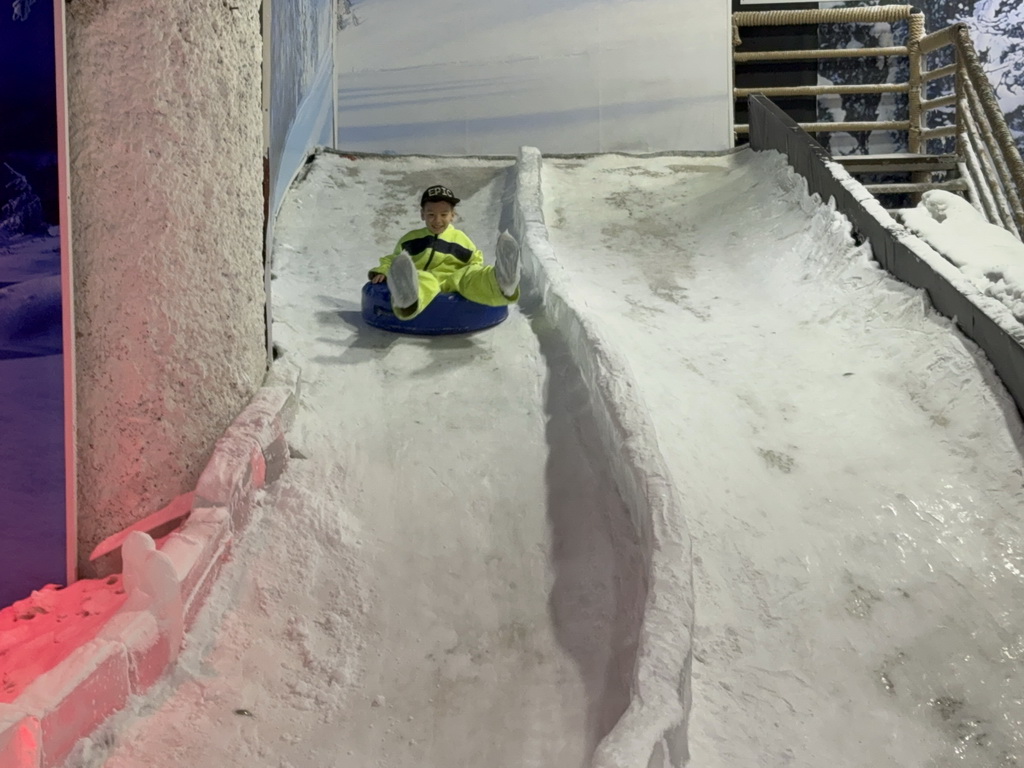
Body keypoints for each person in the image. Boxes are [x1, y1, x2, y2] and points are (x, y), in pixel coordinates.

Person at [368, 185, 521, 319]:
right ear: (422, 215)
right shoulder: (410, 239)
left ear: (452, 215)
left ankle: (502, 281)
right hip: (425, 277)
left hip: (455, 279)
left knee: (471, 276)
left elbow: (474, 262)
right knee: (422, 280)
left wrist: (476, 273)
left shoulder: (460, 239)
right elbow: (395, 260)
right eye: (431, 215)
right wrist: (383, 271)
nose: (437, 220)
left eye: (444, 214)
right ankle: (407, 298)